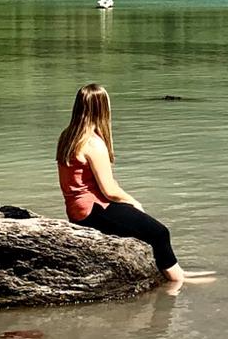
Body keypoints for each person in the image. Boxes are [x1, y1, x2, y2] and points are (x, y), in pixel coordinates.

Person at [56, 83, 211, 289]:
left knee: (147, 229)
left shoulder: (67, 136)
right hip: (92, 211)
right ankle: (177, 283)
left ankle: (176, 271)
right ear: (101, 108)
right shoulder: (92, 143)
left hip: (78, 210)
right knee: (159, 233)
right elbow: (109, 190)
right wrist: (133, 202)